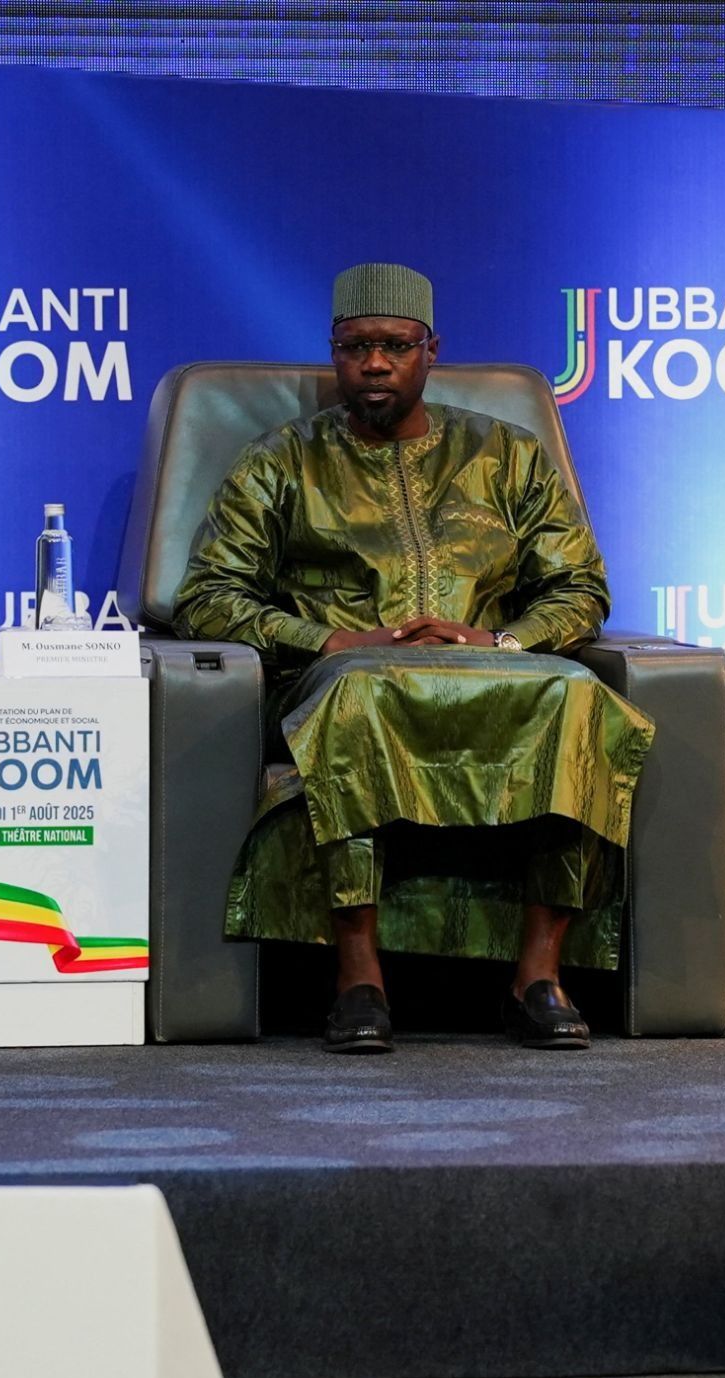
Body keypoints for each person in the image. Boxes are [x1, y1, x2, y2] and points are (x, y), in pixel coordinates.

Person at [174, 262, 653, 1054]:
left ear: (431, 350)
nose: (374, 363)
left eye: (395, 346)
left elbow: (579, 588)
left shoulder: (507, 456)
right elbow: (208, 594)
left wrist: (499, 641)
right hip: (341, 679)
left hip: (494, 676)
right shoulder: (282, 462)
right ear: (334, 351)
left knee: (579, 697)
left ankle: (538, 976)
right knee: (358, 693)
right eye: (355, 346)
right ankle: (358, 976)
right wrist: (332, 641)